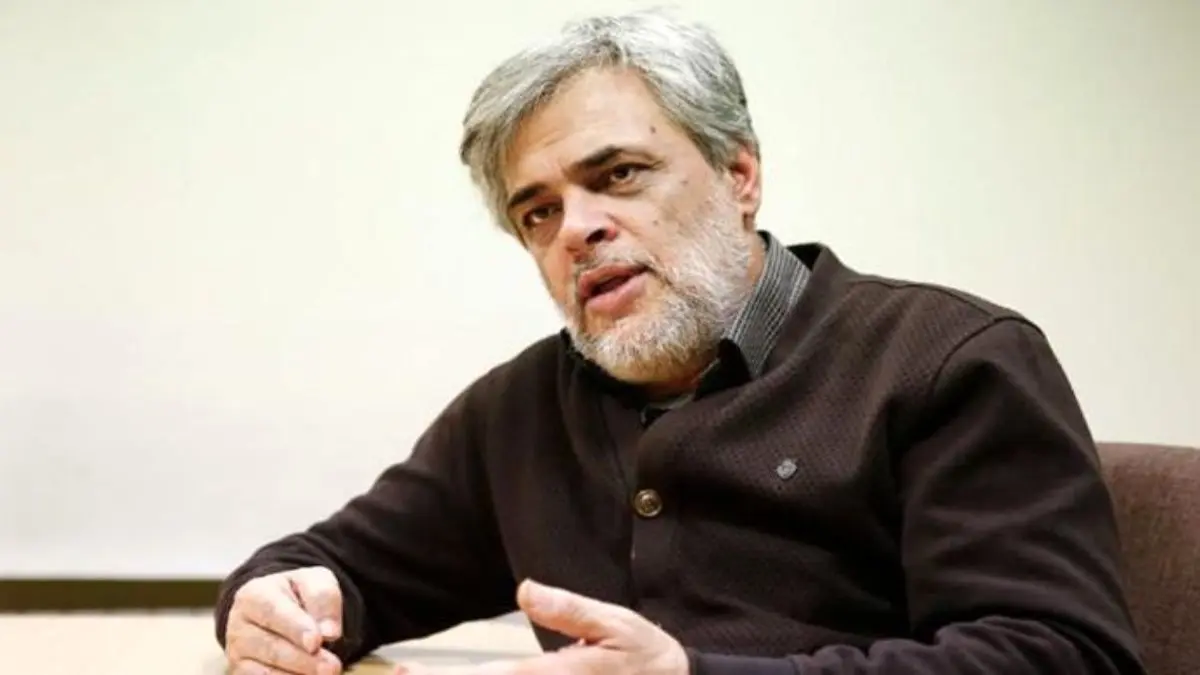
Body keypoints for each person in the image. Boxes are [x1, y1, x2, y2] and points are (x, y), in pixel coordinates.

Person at [214, 9, 1146, 675]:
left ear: (740, 175)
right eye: (538, 212)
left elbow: (1059, 654)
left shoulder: (947, 361)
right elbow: (328, 567)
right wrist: (272, 606)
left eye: (619, 174)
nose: (578, 228)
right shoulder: (519, 411)